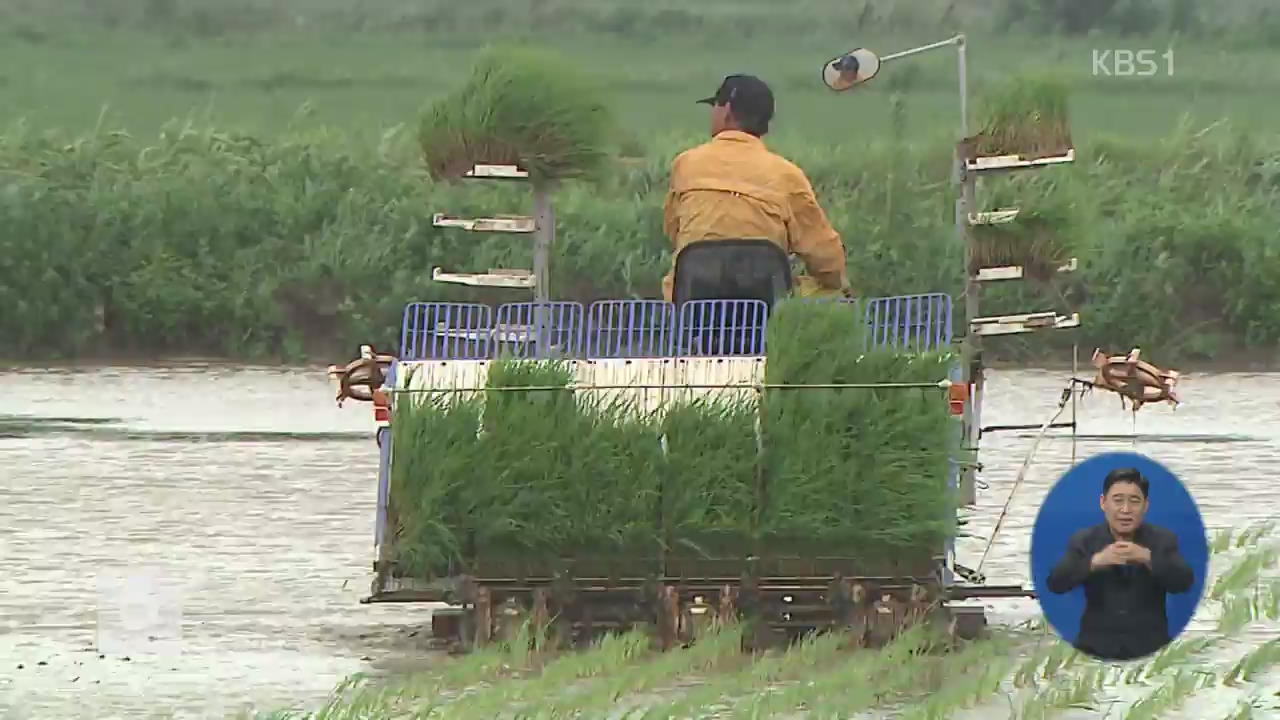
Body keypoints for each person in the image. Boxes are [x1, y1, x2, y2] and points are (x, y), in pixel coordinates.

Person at [660, 74, 850, 302]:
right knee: (832, 291)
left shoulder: (686, 163)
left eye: (715, 106)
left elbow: (673, 230)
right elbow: (826, 256)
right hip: (763, 304)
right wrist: (836, 283)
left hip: (695, 301)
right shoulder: (786, 174)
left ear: (727, 109)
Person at [1046, 467, 1195, 660]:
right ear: (1103, 503)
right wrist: (1094, 562)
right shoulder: (1084, 540)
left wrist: (1148, 558)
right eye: (1118, 501)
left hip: (1150, 649)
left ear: (1145, 505)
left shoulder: (1162, 540)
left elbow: (1184, 582)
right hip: (1093, 648)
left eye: (1134, 501)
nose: (1125, 510)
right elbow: (1055, 583)